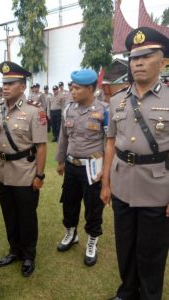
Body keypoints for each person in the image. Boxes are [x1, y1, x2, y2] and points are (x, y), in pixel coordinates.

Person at [100, 27, 169, 300]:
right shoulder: (117, 100)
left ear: (163, 62)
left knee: (152, 252)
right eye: (133, 57)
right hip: (122, 187)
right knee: (125, 246)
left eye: (146, 56)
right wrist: (106, 182)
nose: (138, 62)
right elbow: (110, 144)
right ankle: (127, 292)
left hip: (157, 188)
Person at [0, 61, 47, 277]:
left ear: (23, 86)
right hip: (3, 173)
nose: (5, 87)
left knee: (26, 217)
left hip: (25, 172)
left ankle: (28, 255)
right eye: (4, 83)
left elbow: (41, 146)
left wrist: (40, 175)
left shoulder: (35, 111)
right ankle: (14, 250)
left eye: (11, 83)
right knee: (9, 215)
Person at [55, 69, 108, 267]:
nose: (72, 90)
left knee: (93, 206)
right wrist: (60, 161)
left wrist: (106, 169)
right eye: (71, 87)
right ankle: (71, 233)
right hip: (71, 165)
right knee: (69, 202)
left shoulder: (104, 110)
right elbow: (63, 137)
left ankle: (92, 240)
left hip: (93, 167)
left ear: (90, 89)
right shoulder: (68, 108)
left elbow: (108, 142)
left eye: (76, 88)